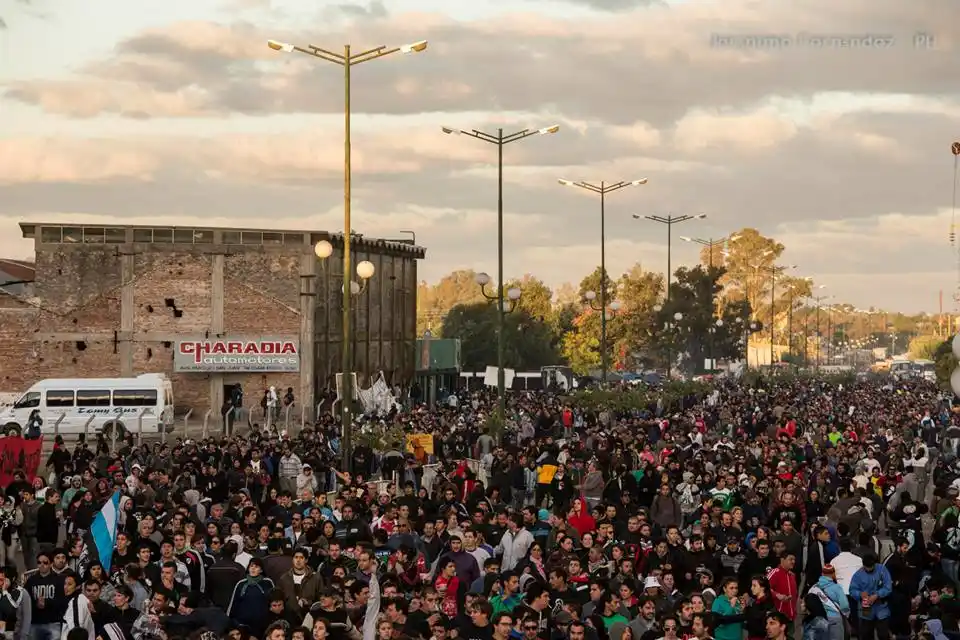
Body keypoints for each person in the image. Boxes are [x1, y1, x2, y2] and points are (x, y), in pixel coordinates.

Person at [849, 552, 892, 640]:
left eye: (871, 567)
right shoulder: (858, 575)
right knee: (866, 635)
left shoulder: (882, 569)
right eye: (866, 568)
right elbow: (852, 590)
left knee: (883, 635)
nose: (869, 570)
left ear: (874, 564)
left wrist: (877, 595)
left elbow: (888, 587)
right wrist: (860, 594)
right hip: (866, 608)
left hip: (881, 607)